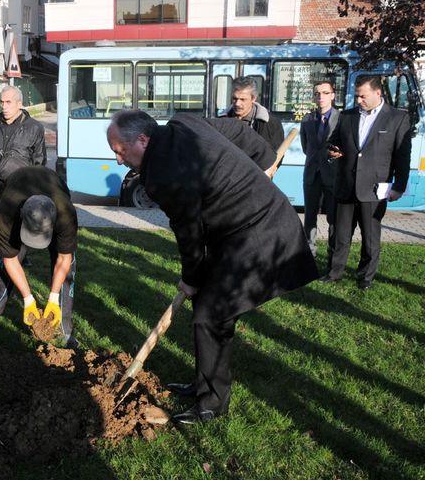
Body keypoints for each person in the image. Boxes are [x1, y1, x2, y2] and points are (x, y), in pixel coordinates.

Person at [107, 110, 317, 425]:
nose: (119, 160)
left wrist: (191, 278)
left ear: (142, 139)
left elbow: (189, 232)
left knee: (211, 314)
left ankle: (213, 404)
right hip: (235, 229)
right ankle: (205, 385)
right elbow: (236, 130)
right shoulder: (184, 122)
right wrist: (263, 158)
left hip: (260, 231)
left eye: (120, 151)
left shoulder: (162, 174)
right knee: (208, 309)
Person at [0, 166, 78, 348]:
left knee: (68, 272)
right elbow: (10, 260)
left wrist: (52, 296)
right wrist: (28, 299)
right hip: (18, 186)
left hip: (54, 192)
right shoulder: (6, 215)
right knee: (3, 267)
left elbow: (64, 259)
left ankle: (64, 329)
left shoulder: (65, 214)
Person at [324, 75, 412, 290]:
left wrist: (399, 186)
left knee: (370, 237)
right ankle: (335, 272)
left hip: (374, 188)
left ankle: (365, 278)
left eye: (363, 96)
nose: (359, 100)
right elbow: (333, 142)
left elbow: (402, 156)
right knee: (340, 234)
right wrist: (332, 151)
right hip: (345, 184)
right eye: (357, 96)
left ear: (377, 93)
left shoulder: (397, 118)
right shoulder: (347, 116)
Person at [0, 85, 46, 209]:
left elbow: (39, 165)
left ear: (19, 104)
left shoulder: (34, 128)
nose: (4, 106)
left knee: (19, 228)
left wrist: (33, 194)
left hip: (22, 196)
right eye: (1, 102)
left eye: (8, 102)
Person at [300, 81, 340, 259]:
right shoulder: (307, 119)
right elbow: (305, 146)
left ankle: (333, 253)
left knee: (333, 217)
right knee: (309, 216)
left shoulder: (342, 119)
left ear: (333, 95)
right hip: (311, 174)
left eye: (325, 93)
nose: (321, 97)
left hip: (332, 175)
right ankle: (309, 252)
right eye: (317, 93)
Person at [225, 77, 284, 175]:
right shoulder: (222, 119)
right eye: (234, 99)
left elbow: (276, 156)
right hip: (227, 180)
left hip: (256, 181)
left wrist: (267, 172)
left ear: (253, 98)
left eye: (242, 99)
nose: (237, 103)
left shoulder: (270, 123)